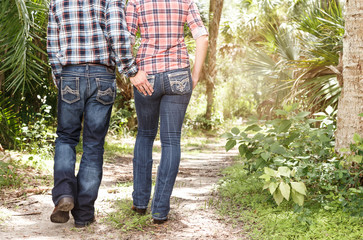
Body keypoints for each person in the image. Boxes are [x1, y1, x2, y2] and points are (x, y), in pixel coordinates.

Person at [47, 0, 151, 228]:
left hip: (70, 73)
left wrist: (59, 77)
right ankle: (84, 215)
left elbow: (53, 45)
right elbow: (117, 32)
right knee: (93, 145)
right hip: (102, 75)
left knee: (66, 138)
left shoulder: (57, 1)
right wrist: (130, 69)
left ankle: (64, 193)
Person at [126, 0, 208, 224]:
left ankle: (140, 202)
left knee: (145, 135)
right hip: (179, 75)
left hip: (147, 74)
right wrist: (195, 75)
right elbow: (201, 36)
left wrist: (132, 70)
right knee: (171, 141)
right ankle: (160, 210)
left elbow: (127, 38)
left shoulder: (136, 1)